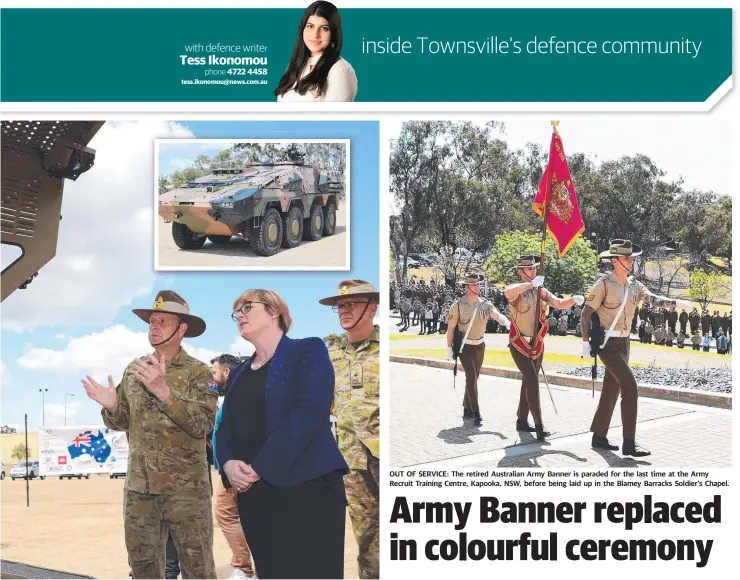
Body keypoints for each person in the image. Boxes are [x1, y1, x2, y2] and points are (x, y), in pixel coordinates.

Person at [82, 290, 218, 579]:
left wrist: (164, 392)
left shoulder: (198, 373)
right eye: (152, 321)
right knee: (142, 567)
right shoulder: (135, 370)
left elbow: (204, 425)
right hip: (140, 489)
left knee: (198, 568)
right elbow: (123, 421)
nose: (154, 327)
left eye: (162, 322)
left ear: (181, 329)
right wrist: (112, 406)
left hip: (186, 492)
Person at [216, 289, 348, 579]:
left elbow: (310, 412)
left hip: (308, 489)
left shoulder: (307, 350)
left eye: (247, 307)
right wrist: (227, 463)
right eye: (236, 311)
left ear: (274, 311)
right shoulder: (237, 373)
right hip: (256, 496)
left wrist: (259, 467)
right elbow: (225, 427)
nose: (239, 315)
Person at [580, 240, 693, 457]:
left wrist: (676, 303)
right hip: (607, 344)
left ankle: (599, 436)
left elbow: (652, 299)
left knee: (611, 389)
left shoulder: (634, 285)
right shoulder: (603, 284)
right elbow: (586, 313)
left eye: (631, 258)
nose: (631, 261)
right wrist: (585, 342)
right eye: (626, 258)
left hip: (624, 342)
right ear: (614, 261)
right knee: (630, 387)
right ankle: (629, 443)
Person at [320, 280, 380, 580]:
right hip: (351, 460)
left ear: (372, 308)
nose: (343, 311)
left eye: (351, 304)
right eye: (340, 306)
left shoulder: (386, 348)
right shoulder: (328, 351)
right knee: (366, 538)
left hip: (386, 456)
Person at [505, 256, 584, 440]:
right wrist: (530, 285)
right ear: (521, 271)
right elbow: (507, 293)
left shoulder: (541, 291)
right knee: (532, 380)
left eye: (534, 269)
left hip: (537, 343)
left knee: (528, 381)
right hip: (519, 342)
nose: (533, 272)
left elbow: (559, 303)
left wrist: (574, 299)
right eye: (530, 269)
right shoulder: (518, 290)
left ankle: (522, 420)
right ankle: (539, 426)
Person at [211, 354, 256, 580]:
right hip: (230, 468)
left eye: (214, 372)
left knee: (226, 513)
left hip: (237, 469)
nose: (212, 378)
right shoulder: (231, 396)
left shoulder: (238, 395)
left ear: (226, 372)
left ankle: (244, 568)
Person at [447, 273, 511, 426]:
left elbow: (496, 315)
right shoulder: (457, 306)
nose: (478, 287)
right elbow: (450, 329)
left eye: (479, 284)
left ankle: (467, 408)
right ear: (467, 287)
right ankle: (476, 412)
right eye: (475, 285)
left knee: (474, 378)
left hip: (480, 346)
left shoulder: (485, 304)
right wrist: (450, 349)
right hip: (465, 347)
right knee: (471, 376)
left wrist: (506, 321)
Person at [275, 1, 357, 102]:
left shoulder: (340, 71)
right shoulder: (294, 66)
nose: (315, 35)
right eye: (310, 26)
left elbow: (334, 117)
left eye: (324, 28)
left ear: (334, 32)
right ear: (303, 28)